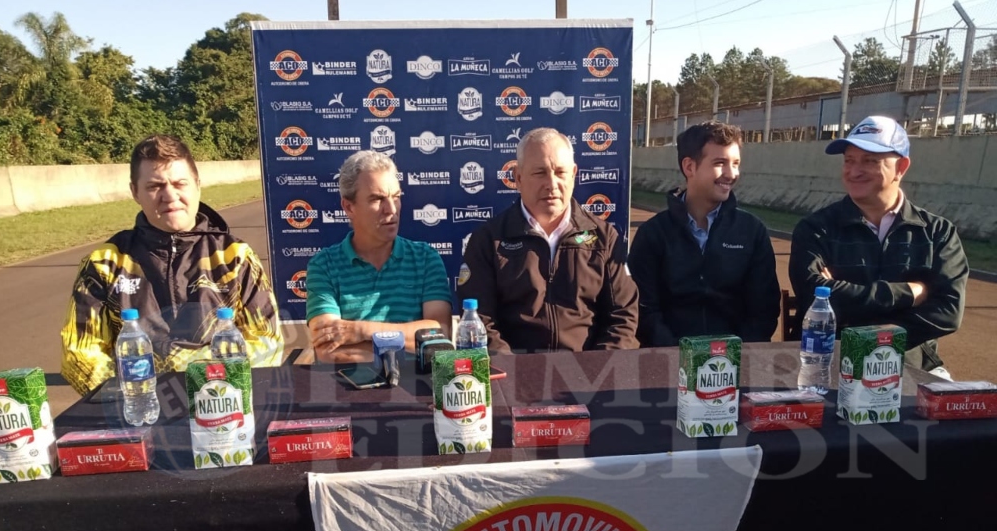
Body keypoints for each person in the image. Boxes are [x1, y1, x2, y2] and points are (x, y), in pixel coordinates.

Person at [61, 134, 284, 395]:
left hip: (223, 401)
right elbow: (79, 354)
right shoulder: (104, 263)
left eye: (180, 183)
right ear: (135, 192)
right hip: (141, 405)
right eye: (155, 186)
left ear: (197, 186)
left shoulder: (235, 256)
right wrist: (144, 392)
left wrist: (201, 381)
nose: (169, 195)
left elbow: (267, 341)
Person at [789, 115, 968, 374]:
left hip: (910, 366)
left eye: (870, 161)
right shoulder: (816, 228)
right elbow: (814, 296)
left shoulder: (937, 233)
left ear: (901, 167)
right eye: (849, 160)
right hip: (832, 364)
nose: (854, 171)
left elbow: (947, 311)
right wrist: (908, 294)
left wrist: (868, 336)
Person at [458, 127, 638, 353]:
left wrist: (597, 368)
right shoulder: (487, 240)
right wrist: (510, 369)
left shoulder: (604, 238)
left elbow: (622, 317)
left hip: (588, 368)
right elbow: (480, 320)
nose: (552, 184)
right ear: (518, 177)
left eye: (560, 172)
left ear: (573, 174)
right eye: (540, 173)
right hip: (514, 369)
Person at [628, 121, 780, 347]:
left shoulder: (752, 231)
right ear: (689, 167)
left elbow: (764, 310)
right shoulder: (653, 234)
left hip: (736, 359)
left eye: (736, 164)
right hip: (668, 359)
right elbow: (644, 310)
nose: (731, 174)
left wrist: (733, 355)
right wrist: (679, 354)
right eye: (720, 163)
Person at [306, 151, 452, 362]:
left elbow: (440, 335)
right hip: (349, 383)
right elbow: (329, 350)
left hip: (419, 383)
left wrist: (361, 331)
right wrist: (410, 343)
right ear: (349, 207)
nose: (391, 209)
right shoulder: (324, 266)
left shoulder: (426, 259)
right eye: (377, 199)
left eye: (396, 197)